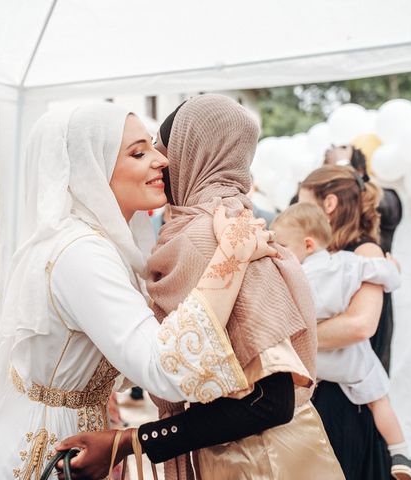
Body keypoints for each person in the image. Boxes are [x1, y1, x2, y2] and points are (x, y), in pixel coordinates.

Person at [0, 103, 278, 480]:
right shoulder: (81, 253)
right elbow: (162, 367)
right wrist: (230, 257)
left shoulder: (102, 246)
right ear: (92, 169)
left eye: (154, 146)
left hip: (75, 446)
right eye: (138, 153)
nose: (162, 161)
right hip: (34, 456)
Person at [57, 95, 343, 480]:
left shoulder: (214, 234)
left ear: (193, 152)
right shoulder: (227, 222)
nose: (159, 161)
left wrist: (129, 441)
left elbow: (270, 401)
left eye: (161, 147)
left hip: (264, 462)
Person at [272, 202, 411, 479]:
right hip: (350, 358)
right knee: (379, 399)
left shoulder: (292, 278)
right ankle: (400, 452)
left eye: (283, 248)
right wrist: (392, 267)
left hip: (314, 362)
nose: (279, 256)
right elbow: (385, 275)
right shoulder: (346, 263)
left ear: (307, 244)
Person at [297, 165, 395, 479]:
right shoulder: (324, 256)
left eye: (303, 204)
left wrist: (293, 338)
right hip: (324, 393)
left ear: (329, 204)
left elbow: (360, 325)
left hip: (351, 402)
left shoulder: (365, 251)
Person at [324, 144, 403, 254]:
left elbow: (360, 198)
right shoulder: (323, 204)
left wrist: (342, 163)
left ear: (360, 172)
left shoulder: (387, 198)